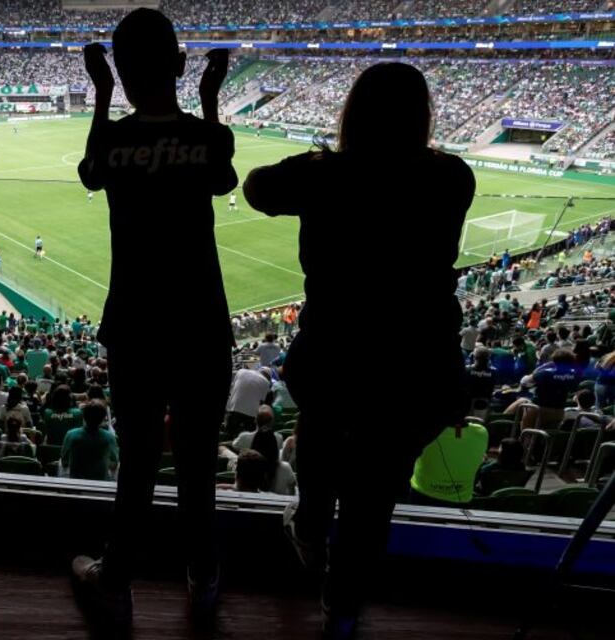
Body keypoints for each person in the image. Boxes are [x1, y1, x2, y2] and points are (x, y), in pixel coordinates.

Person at [244, 62, 475, 638]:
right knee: (376, 492)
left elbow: (256, 187)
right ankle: (341, 606)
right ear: (421, 117)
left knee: (322, 434)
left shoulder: (327, 175)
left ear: (354, 113)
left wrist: (320, 159)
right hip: (419, 362)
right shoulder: (452, 176)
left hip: (336, 352)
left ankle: (312, 529)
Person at [71, 9, 237, 625]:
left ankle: (116, 579)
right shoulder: (208, 139)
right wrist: (209, 100)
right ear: (180, 63)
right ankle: (204, 576)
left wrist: (102, 95)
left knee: (138, 460)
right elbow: (222, 178)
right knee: (197, 463)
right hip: (202, 323)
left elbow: (91, 172)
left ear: (120, 70)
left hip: (137, 323)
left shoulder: (113, 141)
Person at [409, 422, 489, 506]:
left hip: (421, 497)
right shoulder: (481, 433)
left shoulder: (424, 431)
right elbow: (457, 433)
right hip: (460, 503)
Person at [61, 399, 120, 481]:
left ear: (84, 415)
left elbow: (64, 462)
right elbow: (114, 464)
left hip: (76, 484)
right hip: (100, 484)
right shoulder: (109, 437)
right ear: (103, 419)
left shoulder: (71, 434)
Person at [225, 367, 271, 438]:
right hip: (251, 414)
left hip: (234, 408)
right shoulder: (266, 382)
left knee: (229, 434)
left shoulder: (241, 371)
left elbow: (234, 386)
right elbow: (262, 402)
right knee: (249, 437)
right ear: (268, 377)